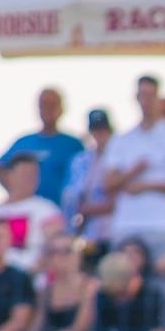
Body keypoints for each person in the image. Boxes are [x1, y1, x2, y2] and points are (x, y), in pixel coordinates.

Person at [102, 75, 165, 263]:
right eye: (142, 95)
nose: (146, 101)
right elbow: (108, 183)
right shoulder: (123, 141)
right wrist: (133, 172)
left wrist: (147, 185)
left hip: (162, 224)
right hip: (126, 224)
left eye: (150, 95)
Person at [0, 152, 63, 275]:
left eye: (34, 174)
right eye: (24, 174)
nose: (30, 179)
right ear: (8, 176)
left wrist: (34, 272)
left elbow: (56, 244)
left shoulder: (46, 209)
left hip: (25, 281)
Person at [0, 87, 84, 206]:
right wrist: (15, 190)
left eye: (52, 105)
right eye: (44, 105)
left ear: (62, 109)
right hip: (27, 211)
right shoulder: (24, 142)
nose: (48, 110)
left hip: (59, 211)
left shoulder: (73, 144)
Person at [62, 109, 117, 256]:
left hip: (113, 231)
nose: (100, 135)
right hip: (87, 233)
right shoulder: (81, 161)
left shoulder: (120, 159)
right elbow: (71, 195)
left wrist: (89, 209)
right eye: (96, 130)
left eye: (103, 130)